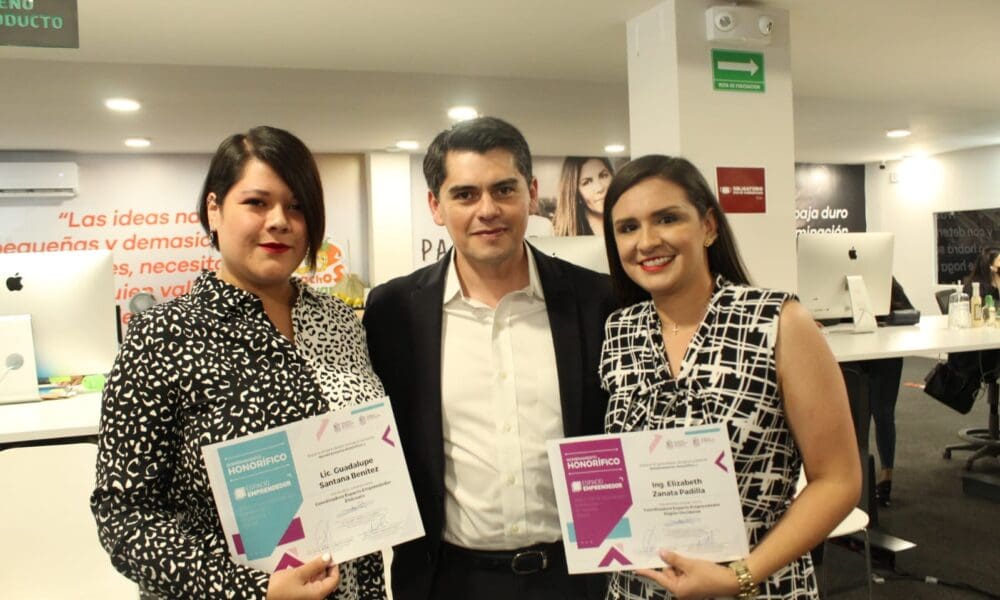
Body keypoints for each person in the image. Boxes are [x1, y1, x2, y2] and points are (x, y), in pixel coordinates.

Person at [91, 126, 386, 600]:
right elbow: (125, 515)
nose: (280, 221)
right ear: (214, 209)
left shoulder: (340, 321)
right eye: (257, 203)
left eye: (296, 206)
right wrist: (254, 591)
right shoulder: (161, 337)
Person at [363, 117, 615, 600]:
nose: (488, 210)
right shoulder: (393, 312)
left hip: (578, 577)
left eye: (504, 189)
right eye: (465, 195)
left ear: (531, 194)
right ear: (435, 206)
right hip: (447, 581)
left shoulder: (596, 301)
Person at [598, 155, 860, 599]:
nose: (647, 241)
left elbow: (838, 481)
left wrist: (741, 575)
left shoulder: (778, 322)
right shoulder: (620, 331)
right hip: (640, 588)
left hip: (755, 583)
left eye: (667, 219)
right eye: (627, 228)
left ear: (708, 227)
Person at [552, 156, 614, 236]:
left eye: (603, 176)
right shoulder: (564, 235)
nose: (600, 188)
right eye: (587, 182)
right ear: (576, 194)